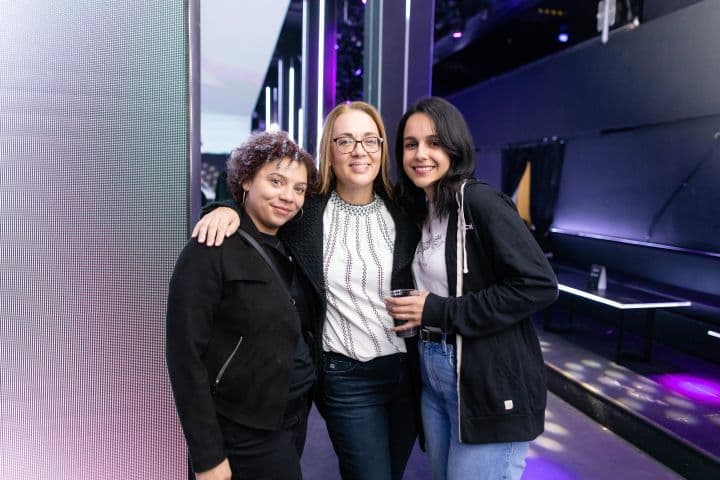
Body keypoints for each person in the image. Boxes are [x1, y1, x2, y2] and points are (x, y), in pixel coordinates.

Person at [192, 102, 421, 480]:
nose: (359, 151)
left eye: (370, 140)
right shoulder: (307, 213)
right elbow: (261, 211)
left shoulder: (405, 210)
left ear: (382, 148)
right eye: (344, 141)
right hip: (347, 376)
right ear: (329, 150)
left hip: (406, 375)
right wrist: (222, 208)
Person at [384, 96, 558, 480]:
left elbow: (539, 285)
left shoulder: (479, 202)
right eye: (410, 145)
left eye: (433, 142)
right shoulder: (424, 210)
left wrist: (438, 311)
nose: (420, 154)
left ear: (455, 146)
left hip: (487, 377)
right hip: (435, 372)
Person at [166, 131, 320, 480]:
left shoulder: (290, 242)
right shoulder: (210, 248)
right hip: (241, 428)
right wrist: (206, 456)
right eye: (276, 181)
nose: (288, 197)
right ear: (246, 179)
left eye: (298, 189)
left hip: (291, 416)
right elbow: (183, 355)